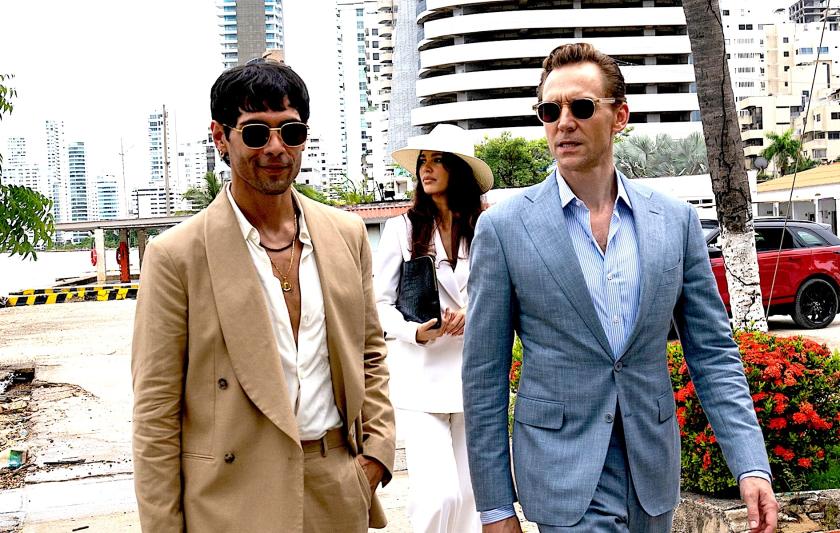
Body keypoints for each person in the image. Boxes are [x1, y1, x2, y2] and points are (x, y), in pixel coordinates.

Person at [462, 43, 778, 533]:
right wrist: (495, 508)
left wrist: (750, 463)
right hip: (562, 472)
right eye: (550, 111)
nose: (564, 122)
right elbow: (484, 374)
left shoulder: (674, 222)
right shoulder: (505, 229)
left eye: (581, 107)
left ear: (620, 116)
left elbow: (712, 351)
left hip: (651, 472)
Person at [131, 59, 396, 532]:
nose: (276, 147)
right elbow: (155, 411)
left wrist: (376, 452)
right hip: (230, 499)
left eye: (290, 132)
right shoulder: (177, 255)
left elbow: (369, 353)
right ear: (220, 136)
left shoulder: (346, 234)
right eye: (255, 133)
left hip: (335, 487)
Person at [374, 124, 493, 533]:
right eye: (422, 161)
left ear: (458, 169)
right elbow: (379, 304)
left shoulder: (485, 228)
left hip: (471, 376)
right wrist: (414, 331)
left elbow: (501, 293)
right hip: (420, 379)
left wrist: (471, 313)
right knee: (438, 497)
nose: (426, 169)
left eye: (437, 160)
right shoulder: (402, 229)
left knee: (471, 498)